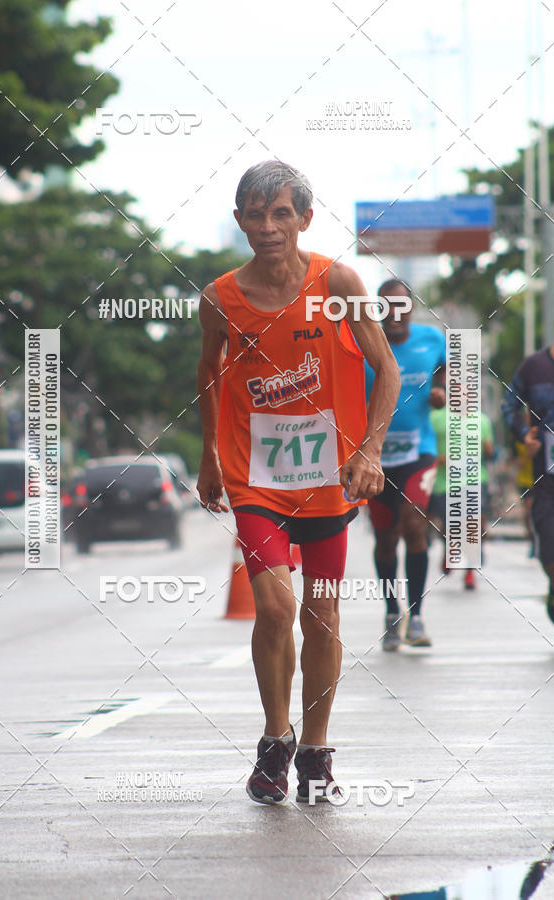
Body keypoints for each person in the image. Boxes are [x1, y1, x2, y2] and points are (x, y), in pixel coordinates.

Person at [196, 160, 400, 805]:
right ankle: (274, 738)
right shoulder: (220, 297)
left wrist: (370, 451)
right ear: (239, 222)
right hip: (255, 479)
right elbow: (208, 376)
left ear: (305, 219)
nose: (268, 226)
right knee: (276, 606)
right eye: (255, 215)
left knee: (323, 611)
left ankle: (314, 745)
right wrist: (208, 457)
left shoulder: (337, 281)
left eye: (281, 213)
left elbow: (386, 372)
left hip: (330, 478)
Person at [364, 280, 447, 651]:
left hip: (419, 451)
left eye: (400, 305)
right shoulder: (360, 342)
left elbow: (447, 370)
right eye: (385, 306)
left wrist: (441, 391)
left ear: (411, 308)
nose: (393, 312)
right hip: (374, 456)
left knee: (414, 524)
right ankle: (391, 611)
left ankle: (416, 616)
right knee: (385, 538)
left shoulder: (432, 339)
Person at [502, 345, 554, 623]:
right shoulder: (533, 366)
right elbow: (508, 403)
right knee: (549, 551)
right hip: (547, 481)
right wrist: (524, 436)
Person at [429, 404, 495, 589]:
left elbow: (490, 450)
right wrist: (440, 458)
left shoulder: (482, 420)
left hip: (475, 479)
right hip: (446, 483)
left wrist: (488, 449)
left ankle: (469, 572)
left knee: (474, 524)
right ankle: (450, 547)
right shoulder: (436, 418)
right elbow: (426, 446)